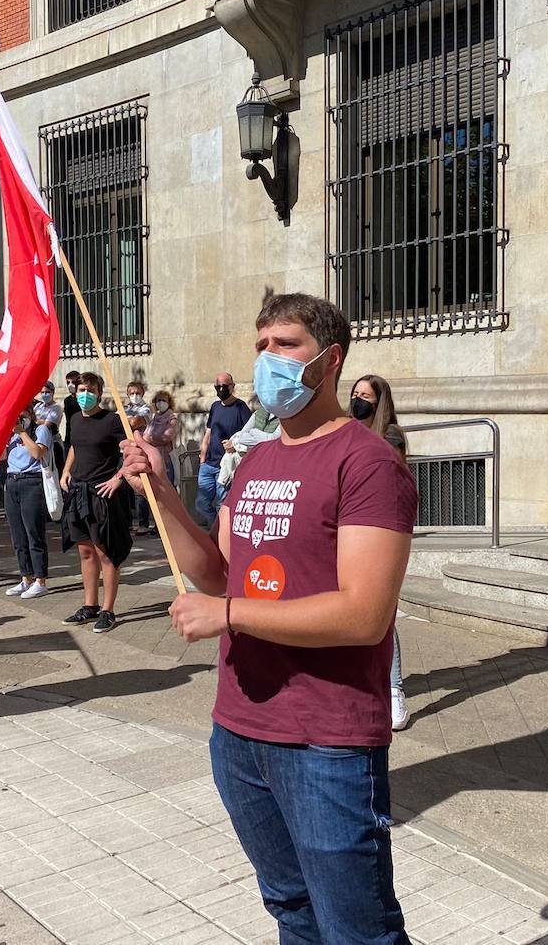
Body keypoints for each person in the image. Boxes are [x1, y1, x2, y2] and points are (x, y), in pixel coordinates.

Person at [120, 293, 418, 944]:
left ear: (329, 360)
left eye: (285, 344)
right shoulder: (254, 460)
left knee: (357, 930)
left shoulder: (368, 463)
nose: (267, 359)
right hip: (240, 733)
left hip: (326, 741)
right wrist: (162, 492)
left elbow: (365, 614)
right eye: (261, 346)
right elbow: (217, 569)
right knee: (291, 911)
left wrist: (227, 615)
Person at [350, 374, 411, 732]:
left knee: (383, 612)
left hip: (382, 535)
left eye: (365, 396)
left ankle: (394, 689)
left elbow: (392, 484)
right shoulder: (345, 432)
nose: (357, 401)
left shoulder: (390, 436)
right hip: (352, 534)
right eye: (354, 394)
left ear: (380, 402)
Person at [60, 372, 130, 634]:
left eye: (89, 389)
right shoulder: (75, 419)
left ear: (100, 393)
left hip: (102, 495)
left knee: (106, 553)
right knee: (85, 552)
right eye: (80, 389)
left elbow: (133, 450)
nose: (84, 394)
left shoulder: (112, 420)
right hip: (79, 493)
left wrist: (118, 478)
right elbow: (76, 447)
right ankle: (89, 606)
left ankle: (108, 610)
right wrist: (67, 470)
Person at [4, 399, 56, 599]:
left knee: (34, 532)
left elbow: (37, 453)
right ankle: (25, 578)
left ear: (30, 414)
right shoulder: (12, 435)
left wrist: (21, 432)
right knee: (18, 536)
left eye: (22, 414)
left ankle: (40, 580)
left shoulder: (40, 430)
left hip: (31, 483)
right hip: (12, 482)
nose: (19, 419)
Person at [196, 372, 252, 526]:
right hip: (208, 464)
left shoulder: (241, 408)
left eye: (225, 386)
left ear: (232, 387)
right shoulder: (215, 407)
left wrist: (235, 444)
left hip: (226, 466)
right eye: (218, 386)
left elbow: (250, 434)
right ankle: (217, 528)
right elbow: (208, 433)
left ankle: (222, 534)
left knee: (223, 503)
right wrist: (202, 458)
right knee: (201, 504)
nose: (221, 389)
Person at [123, 381, 153, 533]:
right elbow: (116, 423)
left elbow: (135, 422)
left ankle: (143, 523)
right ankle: (127, 522)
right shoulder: (124, 408)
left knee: (139, 489)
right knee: (124, 489)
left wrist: (126, 421)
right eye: (131, 393)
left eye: (137, 393)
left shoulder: (146, 408)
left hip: (139, 451)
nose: (134, 396)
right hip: (124, 451)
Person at [143, 389, 180, 494]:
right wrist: (150, 438)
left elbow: (166, 437)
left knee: (168, 488)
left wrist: (150, 439)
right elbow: (147, 434)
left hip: (166, 459)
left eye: (163, 400)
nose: (161, 403)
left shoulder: (171, 418)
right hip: (153, 458)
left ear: (169, 403)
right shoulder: (155, 418)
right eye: (158, 400)